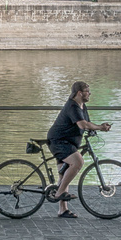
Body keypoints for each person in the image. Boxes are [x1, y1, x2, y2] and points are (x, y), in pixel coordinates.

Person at [45, 81, 110, 218]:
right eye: (87, 91)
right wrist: (100, 127)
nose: (89, 93)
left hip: (68, 142)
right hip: (59, 141)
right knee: (78, 162)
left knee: (64, 174)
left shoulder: (82, 106)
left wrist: (93, 129)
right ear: (79, 93)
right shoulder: (72, 106)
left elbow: (86, 123)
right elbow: (82, 124)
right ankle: (59, 192)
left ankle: (62, 210)